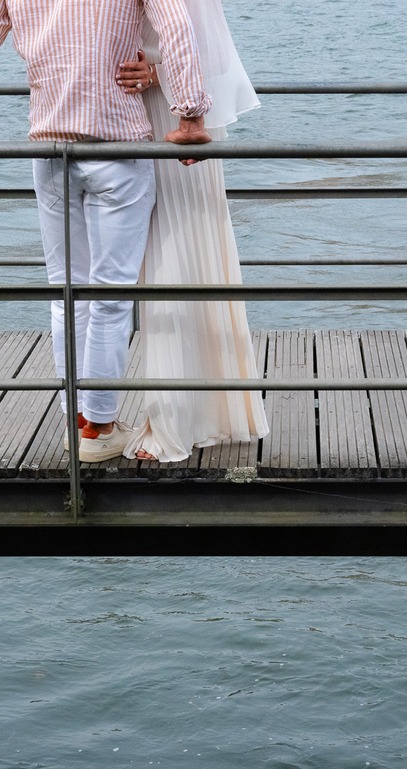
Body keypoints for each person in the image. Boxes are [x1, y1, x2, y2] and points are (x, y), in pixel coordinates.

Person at [0, 0, 213, 463]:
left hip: (50, 148)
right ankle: (97, 429)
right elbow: (177, 28)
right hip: (116, 145)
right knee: (111, 297)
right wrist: (191, 117)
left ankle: (75, 422)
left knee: (66, 294)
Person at [113, 0, 268, 462]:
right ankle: (214, 407)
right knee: (189, 249)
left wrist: (158, 78)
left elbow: (198, 46)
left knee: (171, 256)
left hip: (170, 113)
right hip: (174, 108)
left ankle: (174, 420)